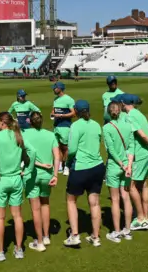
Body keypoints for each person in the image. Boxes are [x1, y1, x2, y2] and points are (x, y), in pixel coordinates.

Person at [0, 112, 34, 261]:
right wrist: (27, 170)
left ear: (3, 123)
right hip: (16, 179)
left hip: (1, 180)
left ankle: (0, 251)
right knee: (17, 216)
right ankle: (19, 249)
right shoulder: (18, 135)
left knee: (0, 218)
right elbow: (32, 151)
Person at [63, 100, 105, 248]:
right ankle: (95, 237)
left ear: (76, 111)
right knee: (94, 202)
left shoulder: (75, 126)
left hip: (81, 167)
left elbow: (72, 149)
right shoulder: (96, 124)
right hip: (97, 166)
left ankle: (74, 235)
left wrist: (67, 163)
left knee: (71, 200)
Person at [121, 94, 148, 231]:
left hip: (139, 154)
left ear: (123, 103)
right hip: (147, 154)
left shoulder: (130, 116)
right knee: (144, 184)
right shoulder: (139, 113)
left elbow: (142, 134)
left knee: (131, 185)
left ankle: (140, 219)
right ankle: (145, 217)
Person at [22, 112, 60, 251]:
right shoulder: (50, 135)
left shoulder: (25, 134)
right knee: (45, 204)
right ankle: (46, 236)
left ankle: (39, 242)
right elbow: (57, 157)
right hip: (47, 176)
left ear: (30, 122)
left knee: (35, 208)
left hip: (31, 176)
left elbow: (25, 156)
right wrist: (55, 174)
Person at [102, 101, 134, 243]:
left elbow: (111, 150)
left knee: (115, 200)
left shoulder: (107, 128)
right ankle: (127, 230)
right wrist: (129, 165)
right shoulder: (127, 126)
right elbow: (131, 146)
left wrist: (121, 164)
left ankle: (116, 232)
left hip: (115, 166)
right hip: (127, 166)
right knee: (126, 198)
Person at [51, 82, 76, 176]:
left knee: (65, 147)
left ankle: (67, 166)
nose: (53, 89)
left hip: (65, 126)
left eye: (55, 88)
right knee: (57, 146)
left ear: (60, 88)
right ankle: (60, 166)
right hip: (56, 126)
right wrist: (52, 113)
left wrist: (61, 115)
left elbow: (73, 113)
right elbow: (54, 110)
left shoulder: (69, 99)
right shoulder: (55, 99)